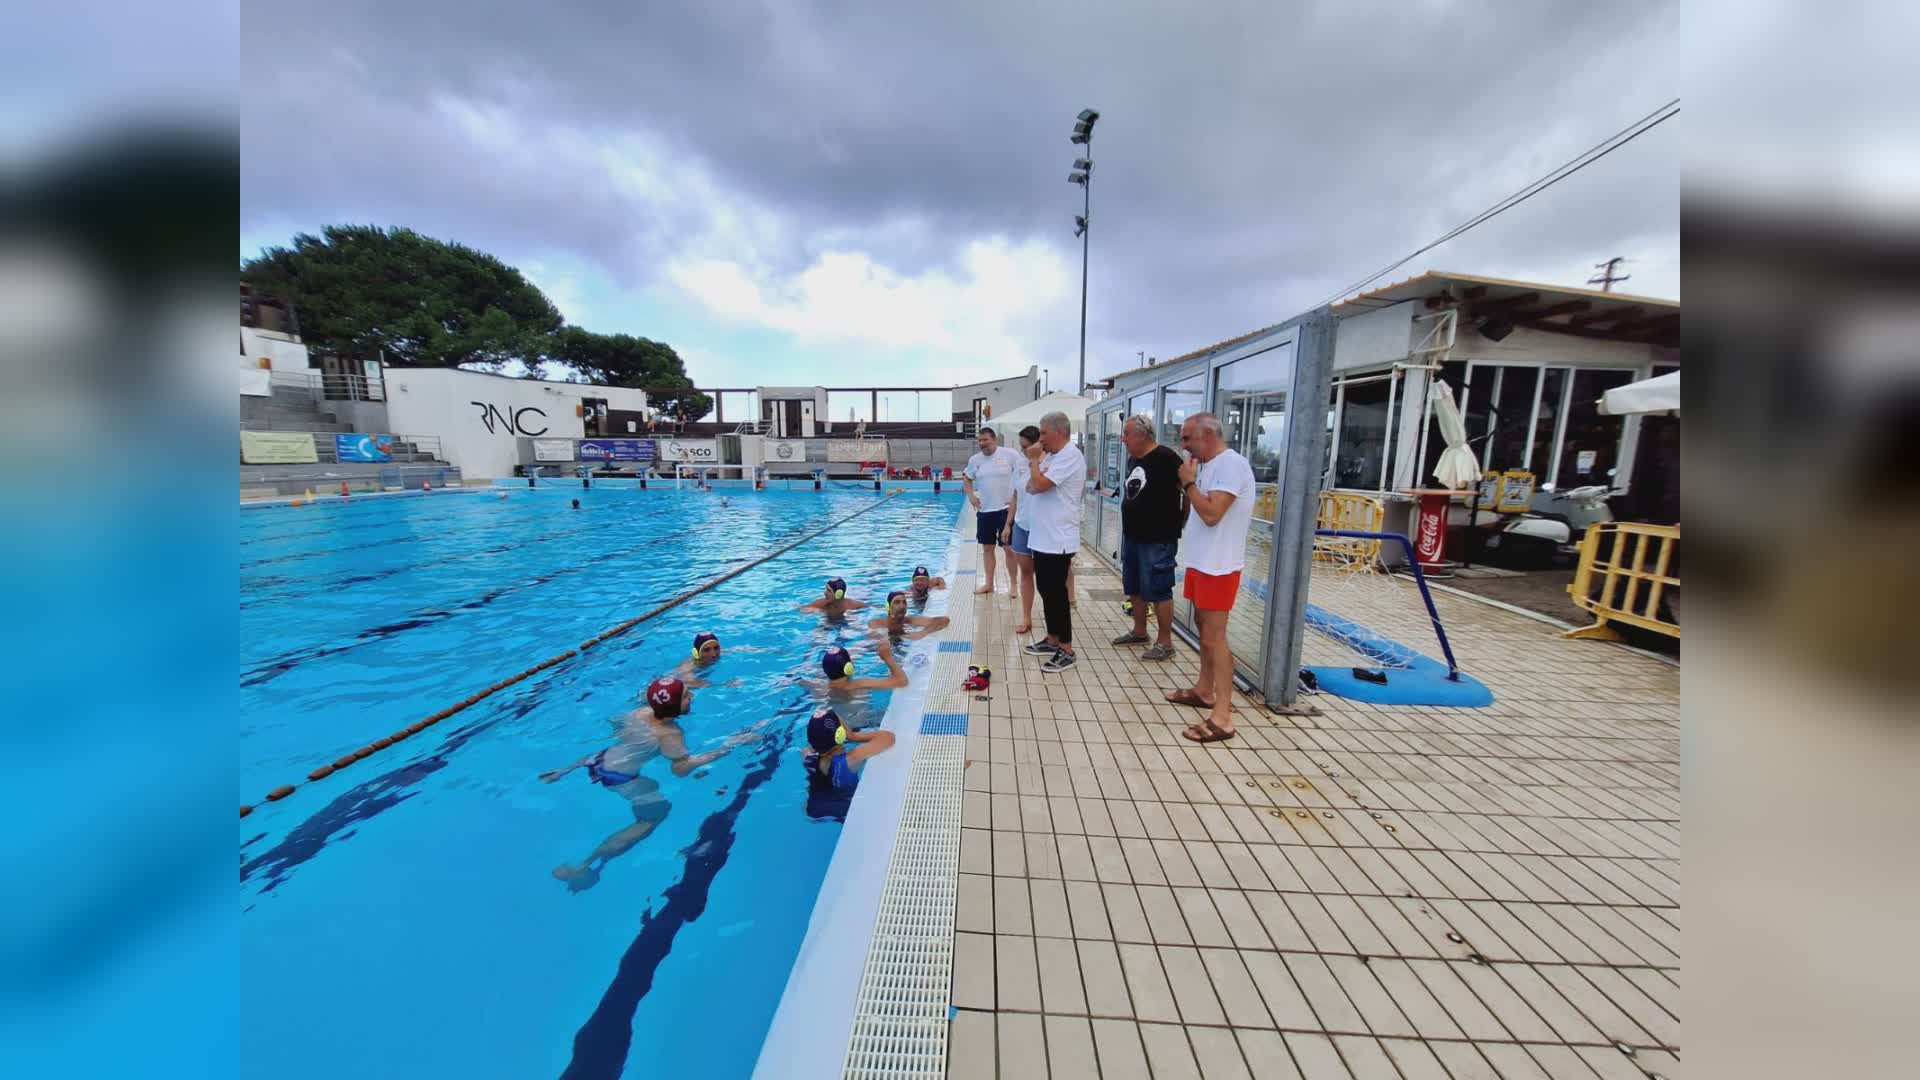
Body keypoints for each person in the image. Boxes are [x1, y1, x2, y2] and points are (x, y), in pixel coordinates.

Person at [538, 676, 759, 891]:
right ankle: (586, 864)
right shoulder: (670, 734)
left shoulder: (640, 712)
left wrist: (563, 771)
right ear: (671, 707)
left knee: (649, 787)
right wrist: (730, 745)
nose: (691, 696)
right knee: (655, 816)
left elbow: (616, 726)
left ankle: (560, 774)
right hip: (621, 779)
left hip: (597, 759)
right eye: (685, 696)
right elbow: (680, 769)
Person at [1168, 412, 1257, 743]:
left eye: (1188, 438)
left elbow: (1211, 514)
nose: (1184, 444)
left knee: (1215, 639)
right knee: (1204, 631)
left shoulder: (1231, 466)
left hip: (1219, 566)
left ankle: (1223, 717)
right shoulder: (1210, 467)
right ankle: (1205, 691)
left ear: (1207, 435)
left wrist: (1188, 483)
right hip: (1203, 563)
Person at [1111, 414, 1184, 661]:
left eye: (1127, 434)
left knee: (1159, 589)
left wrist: (1177, 524)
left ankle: (1166, 642)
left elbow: (1188, 490)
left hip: (1157, 537)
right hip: (1133, 535)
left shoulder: (1167, 458)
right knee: (1134, 586)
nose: (1123, 439)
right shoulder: (1134, 460)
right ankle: (1140, 631)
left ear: (1142, 435)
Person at [1021, 410, 1086, 673]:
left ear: (1059, 432)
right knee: (1046, 590)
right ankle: (1052, 639)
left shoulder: (1070, 456)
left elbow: (1040, 484)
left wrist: (1035, 461)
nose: (1040, 438)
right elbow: (1029, 487)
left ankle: (1067, 649)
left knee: (1057, 594)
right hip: (1043, 537)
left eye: (1044, 433)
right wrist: (1038, 466)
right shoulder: (1054, 457)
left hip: (1058, 538)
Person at [961, 427, 1023, 596]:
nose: (982, 443)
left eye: (985, 440)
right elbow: (967, 478)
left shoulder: (1010, 455)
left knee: (1009, 548)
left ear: (994, 439)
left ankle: (1014, 584)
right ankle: (989, 583)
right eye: (979, 440)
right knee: (987, 548)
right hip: (985, 511)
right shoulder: (975, 460)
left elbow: (1022, 474)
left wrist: (1017, 498)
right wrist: (971, 496)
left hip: (1005, 510)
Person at [800, 706, 896, 794]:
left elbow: (816, 742)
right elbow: (888, 738)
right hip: (844, 809)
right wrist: (853, 736)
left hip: (814, 808)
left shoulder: (807, 755)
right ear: (840, 734)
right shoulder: (850, 760)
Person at [1006, 425, 1042, 635]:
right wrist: (1008, 524)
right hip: (1022, 524)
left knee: (1048, 577)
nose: (1023, 451)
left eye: (1027, 447)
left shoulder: (1049, 462)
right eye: (1021, 447)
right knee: (1026, 573)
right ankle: (1027, 617)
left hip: (1043, 528)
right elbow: (1016, 495)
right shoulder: (1020, 462)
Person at [813, 638, 910, 699]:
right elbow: (902, 681)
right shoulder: (859, 684)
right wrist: (888, 658)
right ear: (849, 667)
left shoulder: (818, 687)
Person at [868, 590, 952, 640]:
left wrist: (923, 633)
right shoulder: (876, 624)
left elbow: (944, 620)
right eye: (897, 602)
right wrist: (905, 636)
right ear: (889, 607)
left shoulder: (909, 620)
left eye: (904, 602)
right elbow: (874, 640)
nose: (902, 606)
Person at [799, 577, 868, 616]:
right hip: (827, 623)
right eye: (826, 590)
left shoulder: (852, 605)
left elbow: (870, 607)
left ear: (839, 594)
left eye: (829, 591)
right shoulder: (821, 603)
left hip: (844, 622)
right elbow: (801, 608)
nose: (825, 593)